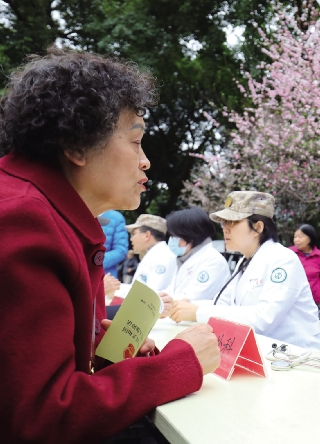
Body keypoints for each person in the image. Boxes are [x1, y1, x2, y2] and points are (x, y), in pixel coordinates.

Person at [0, 48, 220, 443]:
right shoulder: (22, 220)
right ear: (75, 145)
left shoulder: (38, 210)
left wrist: (103, 351)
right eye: (135, 141)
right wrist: (179, 363)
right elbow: (40, 420)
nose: (145, 161)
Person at [165, 191, 320, 351]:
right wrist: (184, 305)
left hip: (299, 356)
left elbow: (264, 318)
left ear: (258, 227)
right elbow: (222, 303)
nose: (225, 229)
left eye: (232, 222)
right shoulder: (245, 261)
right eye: (224, 223)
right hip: (267, 353)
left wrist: (198, 312)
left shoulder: (283, 259)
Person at [160, 206, 231, 301]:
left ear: (190, 236)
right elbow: (172, 292)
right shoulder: (186, 259)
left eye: (174, 236)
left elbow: (191, 298)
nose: (172, 240)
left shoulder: (213, 261)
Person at [126, 214, 177, 291]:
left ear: (147, 235)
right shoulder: (154, 255)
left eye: (134, 234)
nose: (131, 239)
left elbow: (151, 293)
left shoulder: (163, 257)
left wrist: (115, 290)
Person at [290, 224, 320, 319]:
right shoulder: (288, 253)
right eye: (295, 236)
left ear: (310, 238)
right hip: (292, 301)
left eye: (300, 236)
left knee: (314, 327)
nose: (296, 240)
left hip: (313, 301)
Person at [101, 209, 129, 278]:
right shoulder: (79, 213)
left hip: (106, 275)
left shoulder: (116, 217)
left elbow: (121, 250)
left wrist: (95, 261)